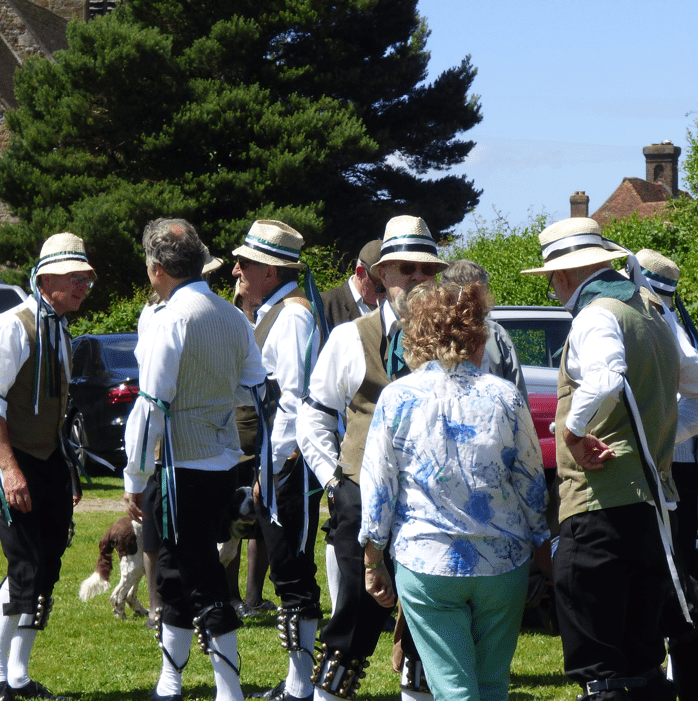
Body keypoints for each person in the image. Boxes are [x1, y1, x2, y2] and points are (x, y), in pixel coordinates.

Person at [523, 218, 698, 701]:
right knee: (643, 664)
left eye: (551, 280)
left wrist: (572, 433)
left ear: (564, 275)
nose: (554, 290)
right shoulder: (654, 312)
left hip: (598, 516)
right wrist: (656, 438)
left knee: (602, 672)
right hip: (651, 517)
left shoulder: (595, 315)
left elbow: (606, 377)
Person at [359, 280, 550, 701]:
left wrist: (373, 559)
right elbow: (532, 483)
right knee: (492, 685)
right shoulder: (505, 396)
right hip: (504, 563)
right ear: (477, 337)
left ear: (416, 339)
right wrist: (541, 546)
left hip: (427, 561)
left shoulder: (396, 397)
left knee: (454, 690)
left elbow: (378, 488)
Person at [298, 215, 446, 701]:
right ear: (383, 274)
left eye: (427, 270)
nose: (418, 280)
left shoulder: (454, 341)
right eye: (407, 269)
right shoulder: (350, 337)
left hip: (432, 502)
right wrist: (334, 482)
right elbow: (313, 415)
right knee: (355, 616)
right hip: (361, 498)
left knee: (429, 620)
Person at [123, 218, 267, 701]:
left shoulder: (170, 319)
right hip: (222, 463)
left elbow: (152, 405)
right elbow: (254, 384)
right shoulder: (233, 317)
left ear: (156, 268)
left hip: (181, 468)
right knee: (172, 572)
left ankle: (230, 691)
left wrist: (134, 476)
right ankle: (170, 683)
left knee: (202, 576)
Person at [0, 232, 95, 701]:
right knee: (25, 563)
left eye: (85, 278)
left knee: (48, 564)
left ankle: (18, 676)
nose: (83, 285)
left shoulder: (59, 329)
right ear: (45, 280)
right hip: (11, 455)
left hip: (48, 458)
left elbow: (58, 410)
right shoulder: (11, 326)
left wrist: (67, 469)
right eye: (74, 277)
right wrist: (10, 470)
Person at [228, 220, 326, 701]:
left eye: (244, 263)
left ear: (269, 271)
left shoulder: (291, 317)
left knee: (292, 569)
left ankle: (301, 684)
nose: (236, 270)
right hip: (277, 461)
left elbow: (294, 402)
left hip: (289, 463)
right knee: (288, 570)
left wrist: (273, 469)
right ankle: (297, 681)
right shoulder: (273, 312)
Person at [137, 245, 228, 631]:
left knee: (195, 555)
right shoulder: (162, 315)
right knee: (163, 538)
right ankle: (159, 610)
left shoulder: (200, 315)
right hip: (188, 448)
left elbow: (153, 400)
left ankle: (196, 606)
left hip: (192, 453)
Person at [634, 249, 698, 580]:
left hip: (671, 456)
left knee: (673, 541)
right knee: (677, 536)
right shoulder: (669, 321)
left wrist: (659, 435)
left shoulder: (663, 323)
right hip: (676, 452)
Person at [439, 259, 528, 400]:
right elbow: (518, 397)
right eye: (485, 290)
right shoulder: (494, 334)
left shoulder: (496, 334)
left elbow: (517, 394)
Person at [320, 239, 384, 327]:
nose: (386, 294)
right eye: (381, 288)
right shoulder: (325, 305)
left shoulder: (394, 305)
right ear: (360, 273)